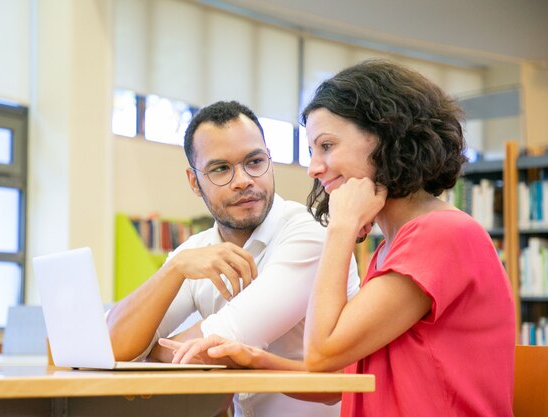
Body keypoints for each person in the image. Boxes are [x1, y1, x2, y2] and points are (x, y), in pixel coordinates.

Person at [162, 60, 516, 416]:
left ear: (386, 135)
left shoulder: (441, 235)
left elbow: (320, 353)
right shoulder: (395, 247)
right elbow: (339, 380)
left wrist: (341, 227)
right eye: (313, 151)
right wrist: (252, 360)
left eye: (326, 146)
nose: (314, 168)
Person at [107, 100, 361, 417]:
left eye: (254, 162)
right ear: (193, 182)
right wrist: (173, 270)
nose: (242, 180)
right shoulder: (194, 253)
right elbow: (111, 347)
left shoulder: (309, 234)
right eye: (221, 169)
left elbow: (215, 347)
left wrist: (148, 349)